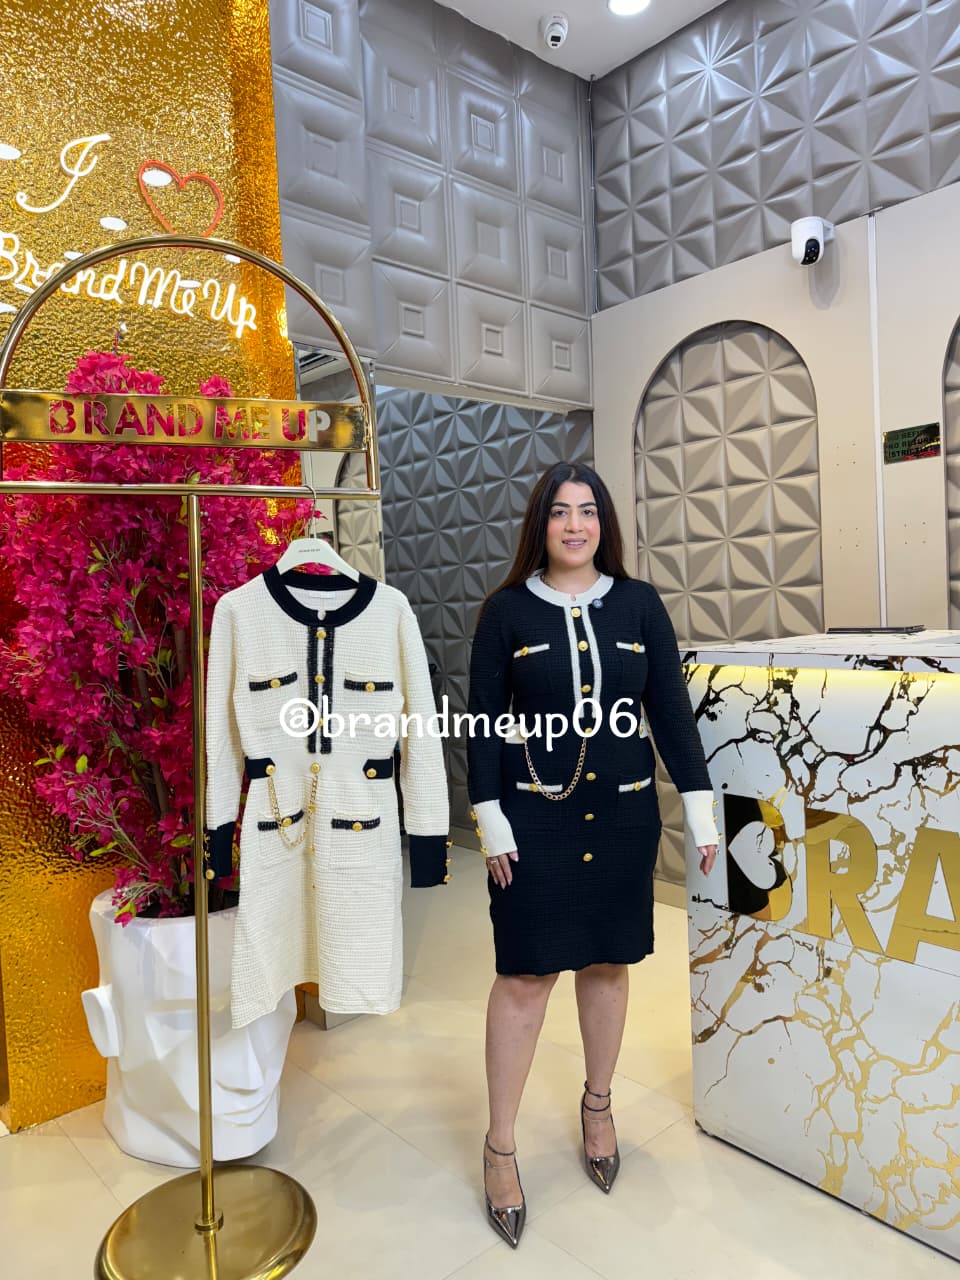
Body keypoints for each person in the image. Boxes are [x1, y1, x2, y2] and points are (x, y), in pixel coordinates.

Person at [466, 461, 719, 1248]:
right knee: (525, 975)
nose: (575, 525)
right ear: (539, 525)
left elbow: (669, 711)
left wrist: (701, 811)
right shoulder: (506, 611)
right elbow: (483, 719)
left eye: (587, 511)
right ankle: (500, 1145)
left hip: (621, 819)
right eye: (559, 512)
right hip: (533, 820)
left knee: (608, 963)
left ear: (603, 524)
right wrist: (489, 818)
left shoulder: (639, 604)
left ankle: (599, 1106)